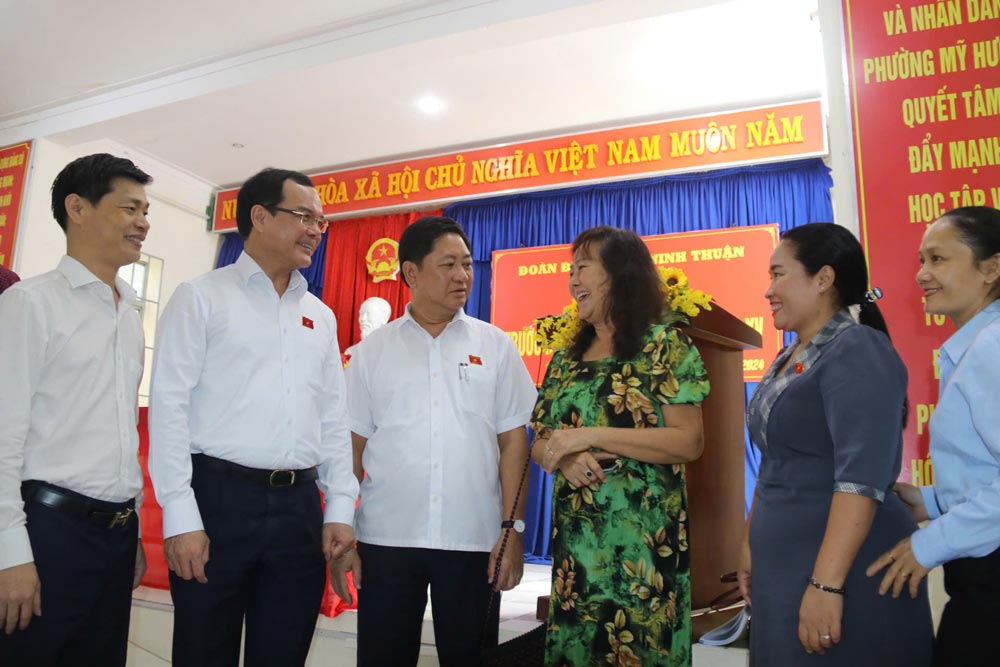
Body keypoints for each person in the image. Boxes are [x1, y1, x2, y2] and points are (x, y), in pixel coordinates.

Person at [148, 167, 358, 667]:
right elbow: (169, 408)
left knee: (283, 652)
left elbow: (332, 416)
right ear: (259, 217)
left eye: (322, 222)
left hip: (299, 512)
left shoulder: (320, 315)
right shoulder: (201, 297)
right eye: (304, 216)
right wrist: (180, 516)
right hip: (219, 503)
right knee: (204, 649)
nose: (315, 230)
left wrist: (339, 509)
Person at [341, 215, 537, 667]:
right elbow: (350, 446)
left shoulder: (496, 346)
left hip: (474, 541)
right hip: (386, 539)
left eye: (467, 264)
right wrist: (343, 531)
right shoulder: (371, 353)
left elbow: (513, 444)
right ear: (410, 273)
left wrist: (511, 532)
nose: (462, 276)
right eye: (448, 264)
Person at [739, 223, 932, 665]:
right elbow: (775, 460)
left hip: (840, 571)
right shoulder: (790, 356)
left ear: (823, 279)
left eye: (778, 274)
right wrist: (749, 541)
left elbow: (859, 480)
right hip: (786, 567)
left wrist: (826, 585)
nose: (768, 291)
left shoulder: (857, 349)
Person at [532, 226, 709, 667]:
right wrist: (564, 455)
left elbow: (689, 441)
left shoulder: (665, 346)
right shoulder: (566, 358)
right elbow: (538, 439)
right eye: (571, 270)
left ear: (621, 274)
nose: (573, 281)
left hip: (643, 548)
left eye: (584, 268)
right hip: (578, 549)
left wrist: (591, 434)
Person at [0, 153, 152, 666]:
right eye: (129, 207)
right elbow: (3, 437)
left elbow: (117, 432)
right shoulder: (30, 303)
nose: (143, 222)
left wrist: (127, 528)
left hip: (114, 535)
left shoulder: (128, 314)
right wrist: (11, 555)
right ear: (78, 208)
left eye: (146, 210)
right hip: (48, 532)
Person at [867, 206, 1000, 667]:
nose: (922, 274)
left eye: (938, 259)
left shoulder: (993, 346)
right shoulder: (974, 346)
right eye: (921, 260)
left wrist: (929, 544)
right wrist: (932, 501)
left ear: (990, 269)